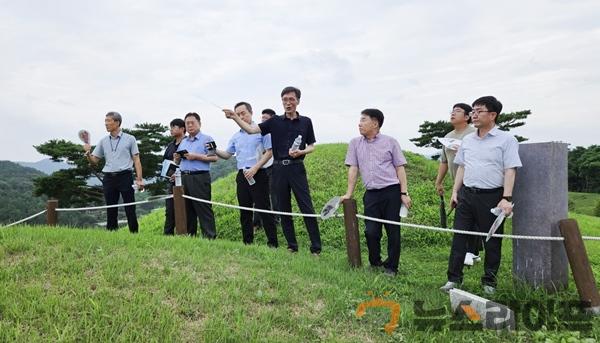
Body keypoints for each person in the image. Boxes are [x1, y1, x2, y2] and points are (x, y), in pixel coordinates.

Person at [224, 86, 322, 255]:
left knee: (306, 207)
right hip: (278, 169)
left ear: (298, 101)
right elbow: (251, 129)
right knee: (284, 208)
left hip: (297, 167)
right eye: (285, 100)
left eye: (291, 99)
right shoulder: (274, 121)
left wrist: (301, 152)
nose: (288, 103)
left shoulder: (306, 121)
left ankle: (316, 247)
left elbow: (311, 146)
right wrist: (234, 118)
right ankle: (292, 246)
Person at [440, 96, 522, 295]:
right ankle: (453, 279)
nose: (474, 115)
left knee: (492, 240)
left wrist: (507, 198)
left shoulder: (507, 140)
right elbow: (462, 166)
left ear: (493, 115)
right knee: (459, 237)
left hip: (492, 196)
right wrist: (455, 191)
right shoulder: (468, 139)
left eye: (479, 111)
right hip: (467, 194)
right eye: (473, 111)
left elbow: (510, 169)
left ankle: (489, 282)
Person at [340, 109, 412, 276]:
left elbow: (399, 168)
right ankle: (375, 261)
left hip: (391, 192)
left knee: (393, 230)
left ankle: (392, 267)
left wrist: (404, 192)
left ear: (375, 123)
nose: (359, 123)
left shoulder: (390, 142)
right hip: (371, 194)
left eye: (363, 120)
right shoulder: (355, 143)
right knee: (371, 231)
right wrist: (348, 193)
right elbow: (353, 168)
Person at [215, 102, 278, 247]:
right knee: (244, 210)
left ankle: (273, 244)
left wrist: (255, 168)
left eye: (243, 113)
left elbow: (269, 152)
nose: (241, 116)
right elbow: (227, 155)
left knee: (264, 209)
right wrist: (214, 150)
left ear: (251, 112)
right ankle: (247, 243)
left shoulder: (262, 131)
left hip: (259, 173)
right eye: (238, 114)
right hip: (242, 176)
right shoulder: (236, 137)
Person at [433, 103, 481, 266]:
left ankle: (471, 252)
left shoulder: (475, 133)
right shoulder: (448, 135)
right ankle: (473, 251)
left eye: (457, 111)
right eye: (452, 111)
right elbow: (444, 161)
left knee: (471, 217)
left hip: (476, 182)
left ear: (467, 117)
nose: (453, 114)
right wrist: (439, 181)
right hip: (457, 182)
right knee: (466, 217)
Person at [83, 111, 143, 233]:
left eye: (108, 121)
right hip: (109, 178)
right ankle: (111, 234)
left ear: (117, 122)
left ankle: (134, 234)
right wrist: (88, 154)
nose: (106, 124)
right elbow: (94, 161)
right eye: (105, 121)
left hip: (125, 176)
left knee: (130, 207)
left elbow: (136, 160)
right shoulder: (103, 141)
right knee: (110, 207)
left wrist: (139, 179)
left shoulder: (130, 139)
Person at [174, 112, 218, 239]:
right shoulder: (183, 141)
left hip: (200, 177)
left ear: (199, 123)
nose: (190, 125)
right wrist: (176, 158)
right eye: (187, 123)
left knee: (203, 207)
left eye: (192, 122)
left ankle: (210, 237)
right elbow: (178, 162)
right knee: (187, 209)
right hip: (184, 177)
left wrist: (195, 156)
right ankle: (190, 237)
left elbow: (214, 157)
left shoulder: (208, 139)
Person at [252, 108, 279, 230]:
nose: (263, 121)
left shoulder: (277, 133)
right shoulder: (258, 133)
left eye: (266, 119)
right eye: (262, 119)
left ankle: (276, 219)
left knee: (274, 195)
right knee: (259, 196)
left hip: (273, 167)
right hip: (259, 168)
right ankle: (257, 223)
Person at [163, 118, 186, 235]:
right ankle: (167, 235)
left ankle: (185, 234)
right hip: (171, 182)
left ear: (182, 129)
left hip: (184, 181)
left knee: (185, 209)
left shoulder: (187, 143)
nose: (171, 130)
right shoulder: (170, 145)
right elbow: (166, 161)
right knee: (170, 210)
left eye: (173, 127)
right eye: (170, 127)